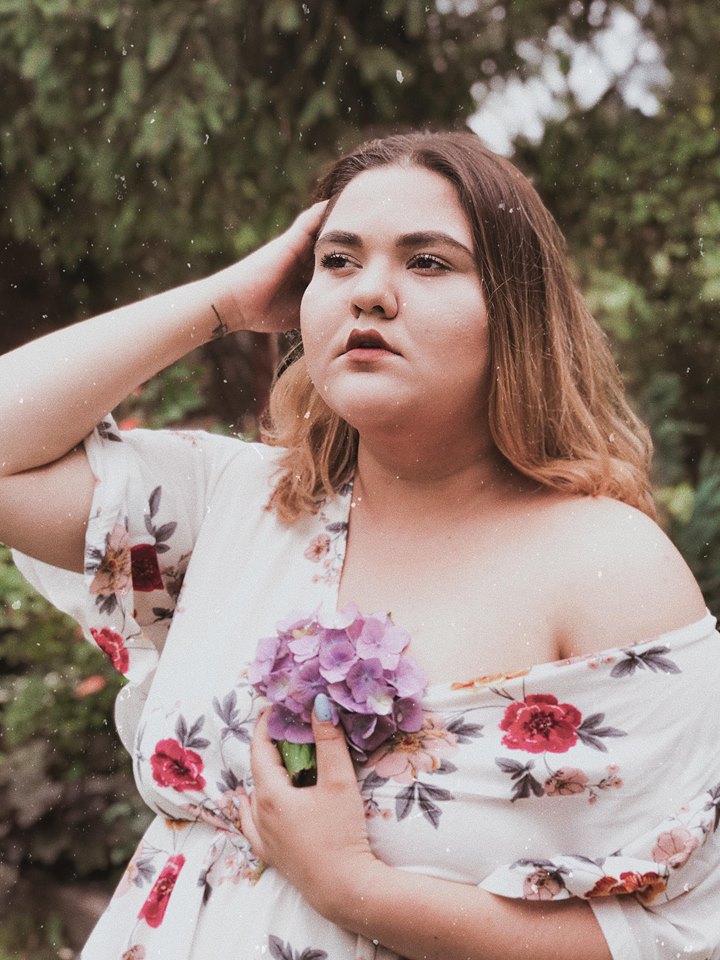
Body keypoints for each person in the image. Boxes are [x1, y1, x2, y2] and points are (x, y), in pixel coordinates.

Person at [1, 131, 718, 960]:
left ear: (516, 310)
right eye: (337, 261)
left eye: (429, 262)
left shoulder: (609, 568)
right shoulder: (235, 504)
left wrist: (353, 888)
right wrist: (226, 302)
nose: (369, 292)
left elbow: (682, 935)